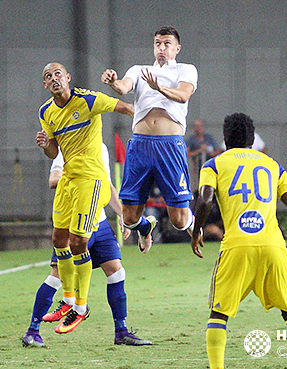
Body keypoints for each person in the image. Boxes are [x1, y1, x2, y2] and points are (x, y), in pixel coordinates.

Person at [190, 113, 287, 369]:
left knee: (218, 315)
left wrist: (196, 231)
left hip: (236, 247)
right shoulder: (272, 165)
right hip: (274, 247)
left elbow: (205, 200)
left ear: (225, 138)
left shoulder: (213, 165)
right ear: (253, 139)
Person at [36, 62, 133, 334]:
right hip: (69, 179)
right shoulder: (46, 111)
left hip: (91, 181)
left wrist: (150, 126)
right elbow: (53, 151)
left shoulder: (89, 100)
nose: (54, 79)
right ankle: (67, 301)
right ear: (45, 85)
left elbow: (124, 108)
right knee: (58, 239)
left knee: (80, 241)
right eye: (48, 77)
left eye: (58, 74)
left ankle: (80, 307)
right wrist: (46, 145)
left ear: (68, 77)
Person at [22, 145, 151, 347]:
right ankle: (32, 331)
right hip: (75, 223)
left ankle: (121, 331)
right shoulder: (68, 144)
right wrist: (79, 178)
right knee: (57, 276)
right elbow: (53, 180)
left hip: (99, 223)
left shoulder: (100, 147)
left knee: (116, 272)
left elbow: (106, 183)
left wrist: (121, 214)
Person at [101, 26, 197, 253]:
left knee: (179, 221)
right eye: (157, 44)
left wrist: (159, 88)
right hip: (141, 146)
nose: (161, 48)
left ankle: (192, 223)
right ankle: (145, 228)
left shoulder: (185, 70)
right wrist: (113, 81)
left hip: (170, 147)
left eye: (166, 44)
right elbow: (123, 87)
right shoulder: (139, 70)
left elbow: (183, 95)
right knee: (129, 217)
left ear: (177, 48)